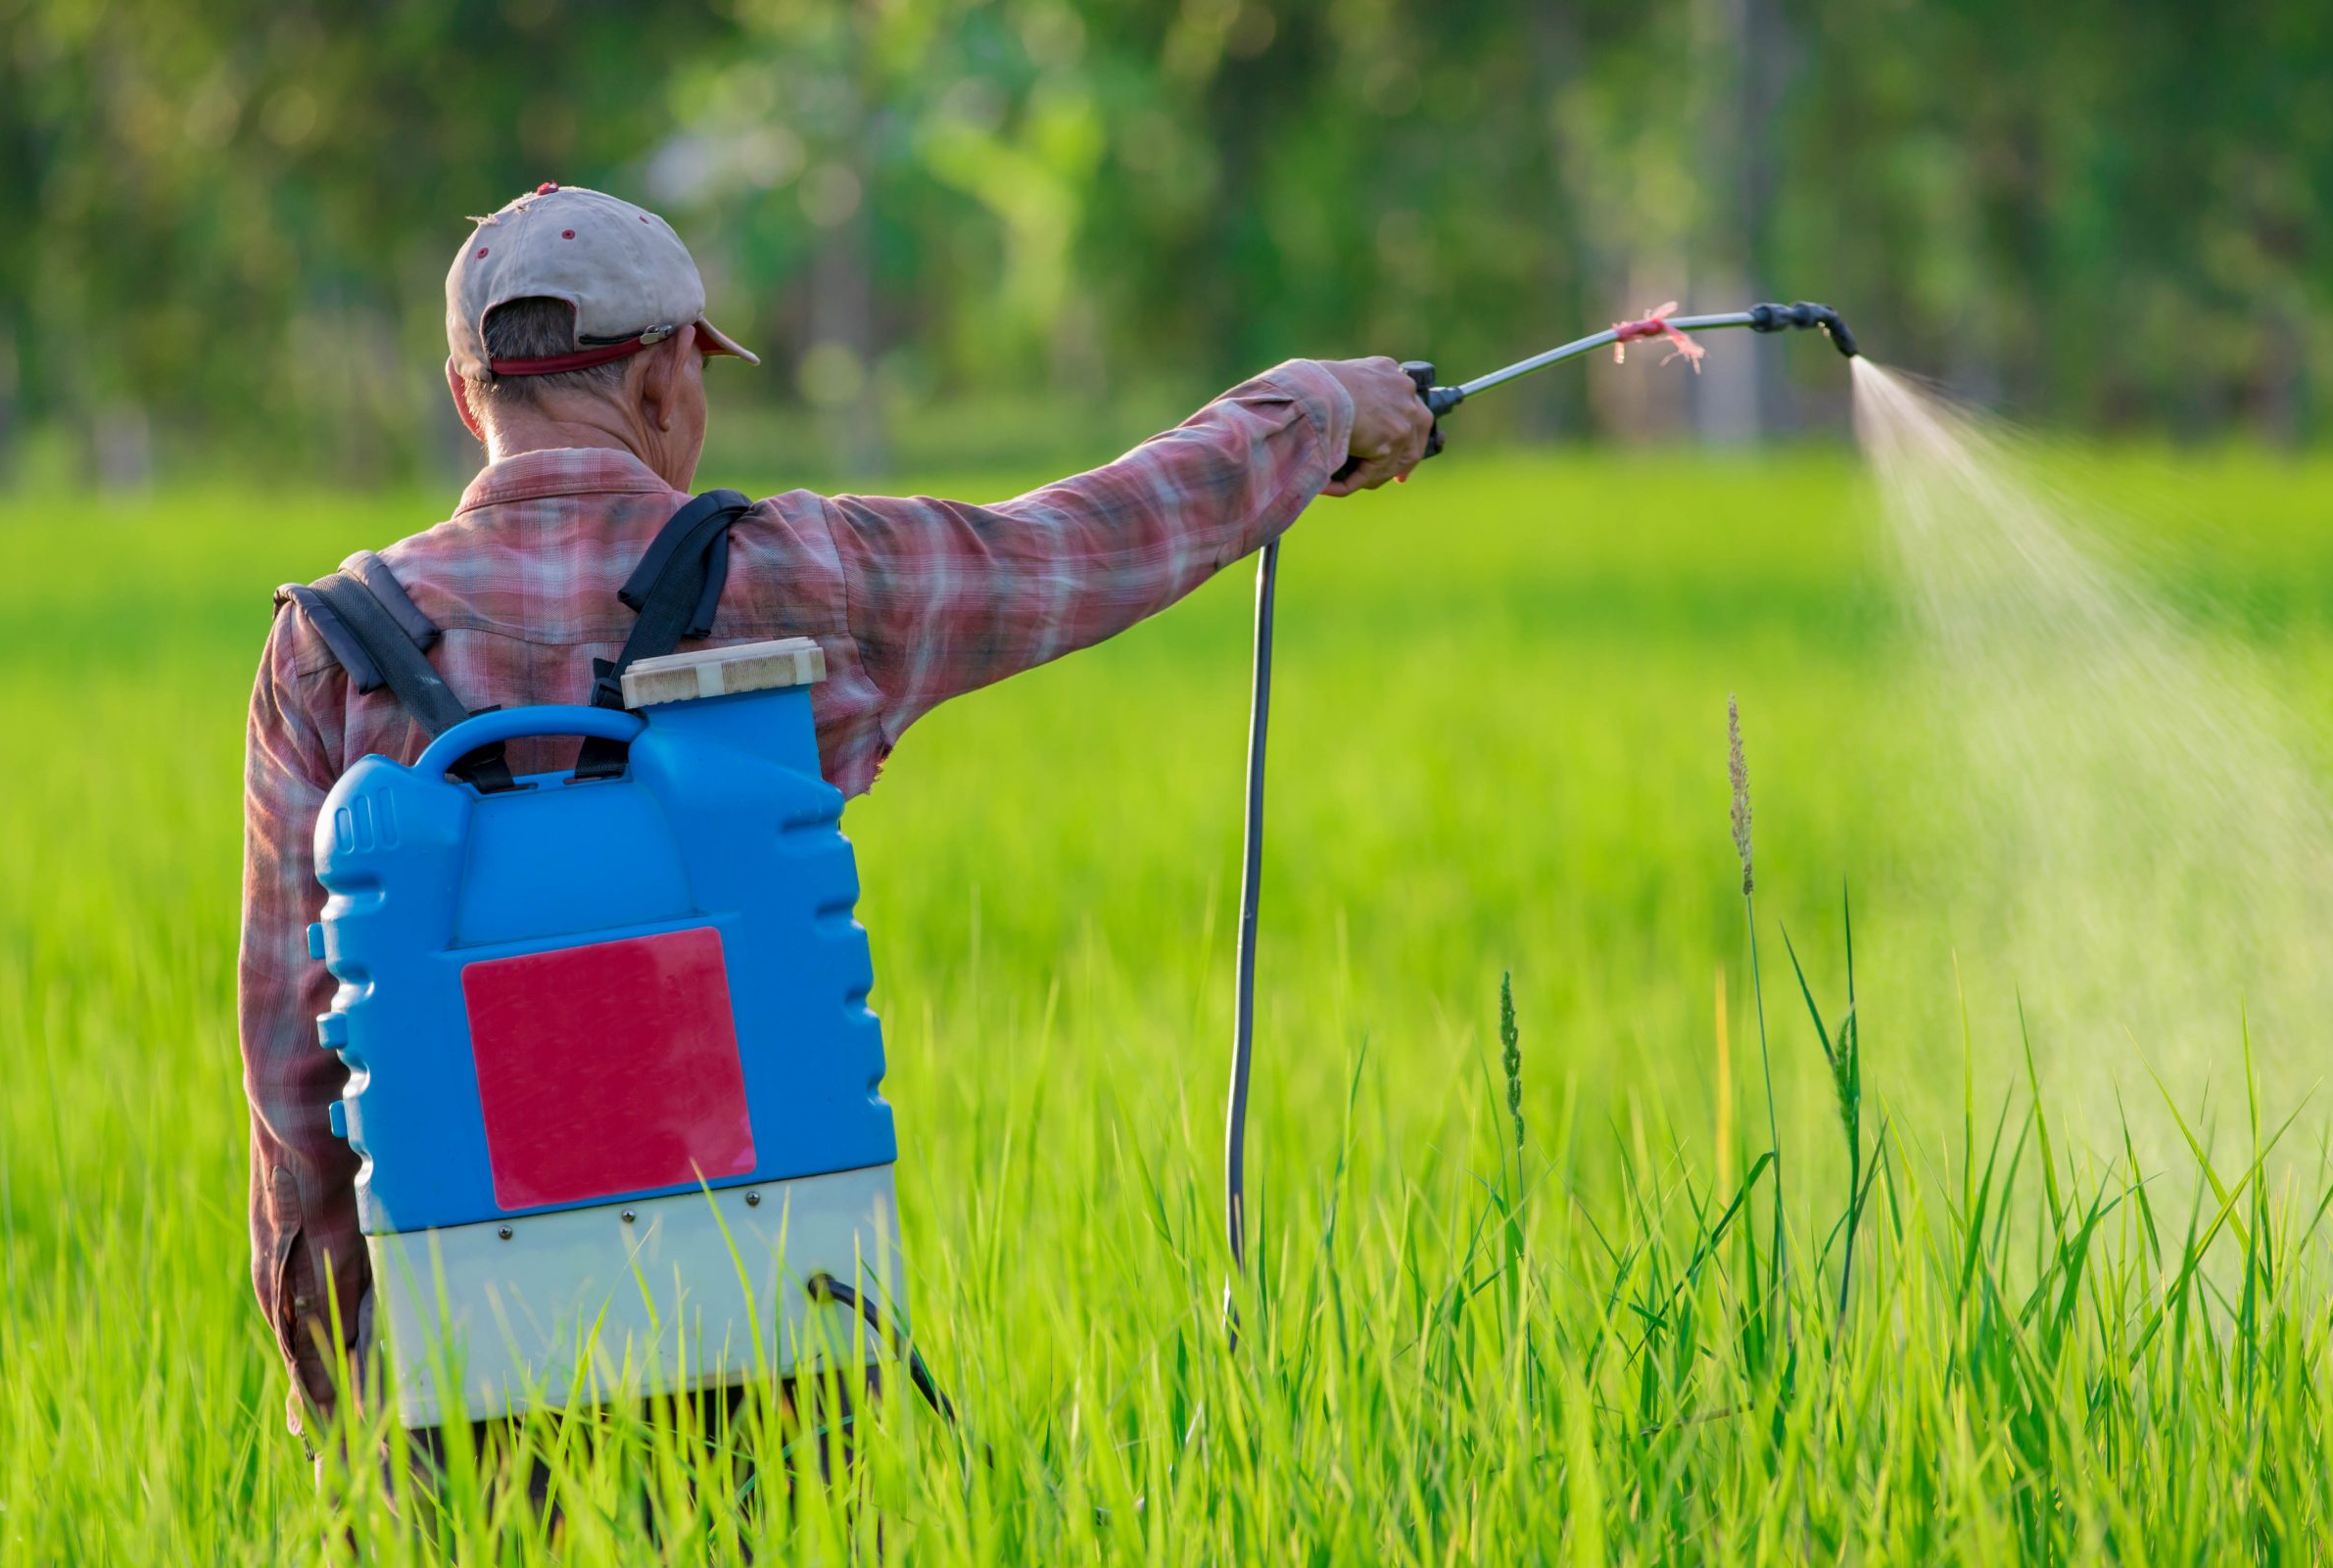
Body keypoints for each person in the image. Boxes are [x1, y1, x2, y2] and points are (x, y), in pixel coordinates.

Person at [238, 182, 1436, 1446]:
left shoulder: (328, 649)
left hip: (465, 1358)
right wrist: (1311, 411)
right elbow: (1083, 546)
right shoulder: (796, 576)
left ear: (464, 391)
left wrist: (353, 1395)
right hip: (784, 1342)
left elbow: (294, 1065)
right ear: (660, 385)